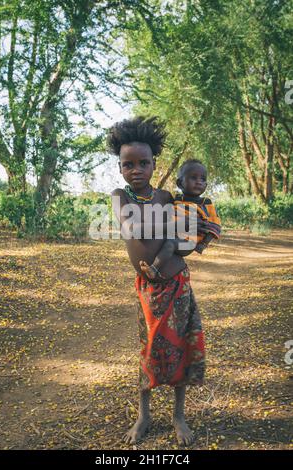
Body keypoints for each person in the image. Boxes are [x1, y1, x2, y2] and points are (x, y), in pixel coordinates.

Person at [109, 116, 207, 446]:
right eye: (128, 164)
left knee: (179, 348)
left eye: (143, 163)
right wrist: (170, 228)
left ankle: (179, 415)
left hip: (176, 282)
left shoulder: (166, 196)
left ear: (154, 165)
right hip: (148, 290)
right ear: (120, 168)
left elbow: (186, 243)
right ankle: (144, 415)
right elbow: (131, 227)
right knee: (148, 350)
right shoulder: (119, 196)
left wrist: (186, 232)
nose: (135, 170)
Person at [139, 159, 221, 280]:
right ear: (180, 183)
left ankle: (154, 269)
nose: (199, 182)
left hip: (189, 242)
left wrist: (203, 244)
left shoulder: (205, 203)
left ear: (206, 185)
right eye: (193, 178)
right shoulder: (177, 200)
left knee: (170, 243)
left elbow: (214, 225)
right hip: (175, 234)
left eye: (203, 179)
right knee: (160, 237)